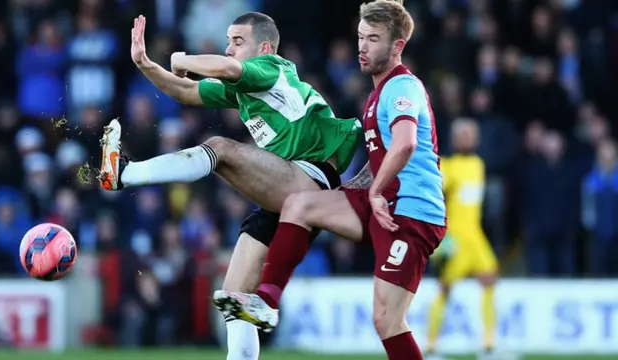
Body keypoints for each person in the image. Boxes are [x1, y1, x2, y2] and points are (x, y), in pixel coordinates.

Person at [98, 13, 361, 360]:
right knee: (235, 300)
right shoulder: (246, 91)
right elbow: (188, 90)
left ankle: (124, 174)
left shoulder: (272, 68)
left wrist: (183, 59)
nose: (228, 49)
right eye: (228, 41)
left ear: (263, 48)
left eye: (238, 42)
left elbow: (225, 69)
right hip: (282, 192)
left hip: (309, 180)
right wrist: (145, 64)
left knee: (220, 148)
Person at [213, 1, 446, 359]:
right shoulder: (376, 95)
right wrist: (354, 189)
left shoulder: (402, 88)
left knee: (387, 320)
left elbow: (405, 144)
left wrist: (377, 191)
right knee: (301, 203)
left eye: (373, 39)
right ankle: (266, 302)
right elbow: (379, 160)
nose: (362, 47)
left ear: (397, 47)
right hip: (382, 201)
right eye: (360, 37)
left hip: (413, 212)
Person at [425, 118, 499, 360]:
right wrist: (440, 239)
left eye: (472, 134)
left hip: (475, 235)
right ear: (455, 138)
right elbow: (436, 198)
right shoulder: (447, 166)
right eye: (464, 134)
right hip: (455, 237)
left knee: (489, 279)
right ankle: (431, 347)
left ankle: (488, 346)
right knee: (445, 288)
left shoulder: (478, 164)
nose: (469, 138)